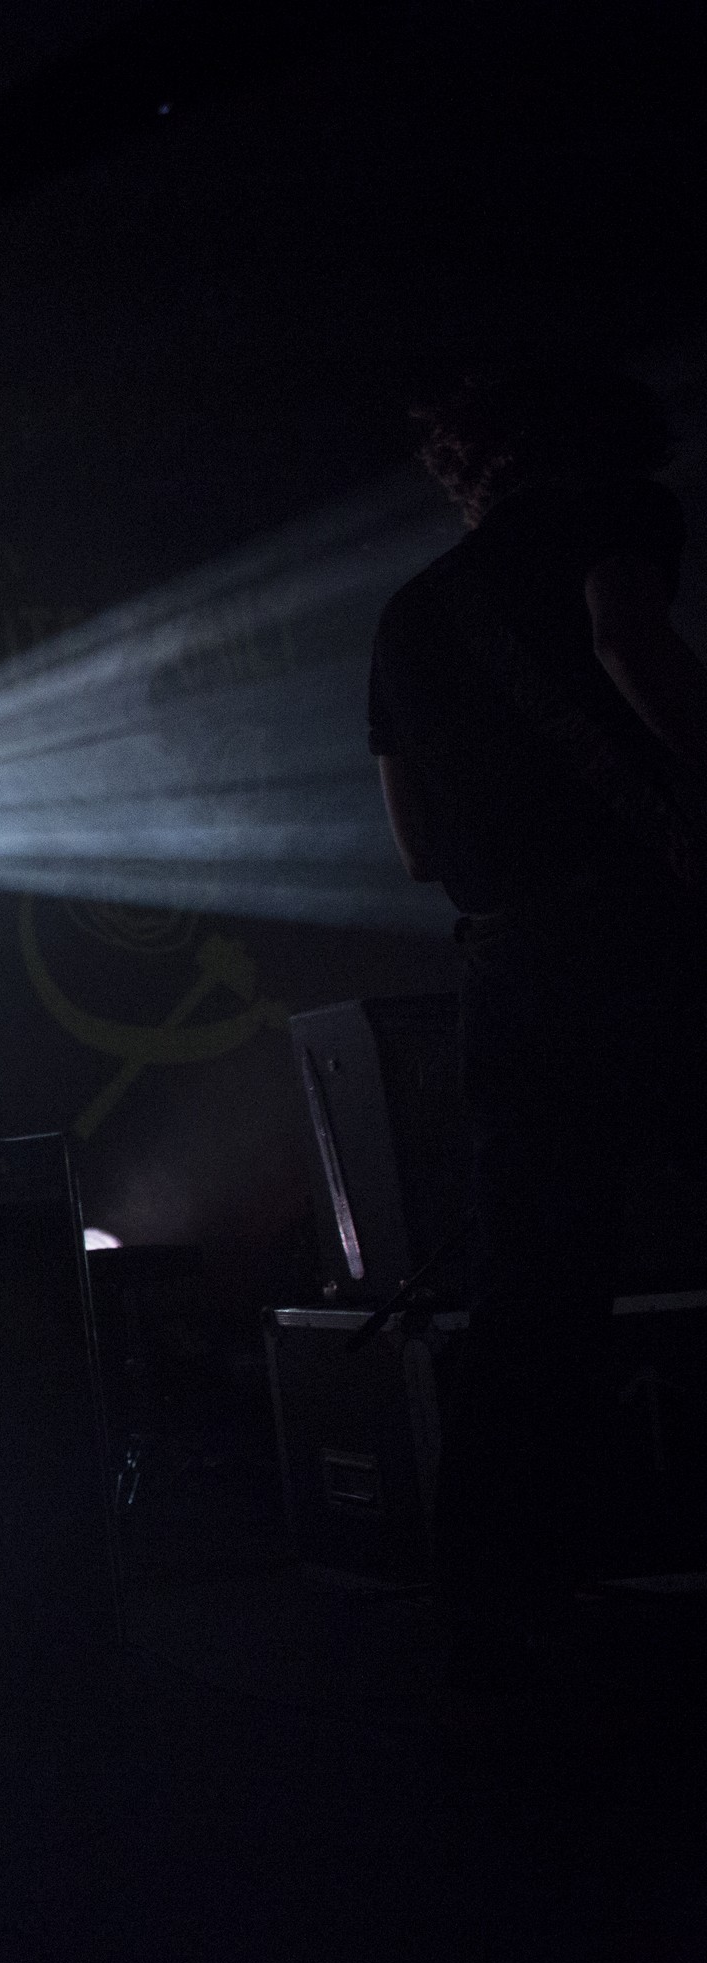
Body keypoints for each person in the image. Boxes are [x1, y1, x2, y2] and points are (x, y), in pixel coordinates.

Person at [369, 355, 706, 1718]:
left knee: (534, 1300)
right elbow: (630, 643)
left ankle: (501, 1617)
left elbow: (410, 847)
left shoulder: (409, 613)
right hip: (646, 936)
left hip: (505, 967)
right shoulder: (617, 512)